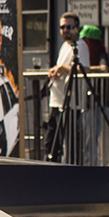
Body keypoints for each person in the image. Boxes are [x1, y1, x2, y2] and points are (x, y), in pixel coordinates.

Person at [44, 14, 92, 163]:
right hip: (57, 101)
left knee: (70, 144)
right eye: (62, 27)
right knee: (51, 143)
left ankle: (69, 174)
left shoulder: (80, 45)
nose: (65, 30)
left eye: (69, 27)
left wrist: (62, 68)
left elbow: (84, 69)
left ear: (76, 27)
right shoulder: (65, 45)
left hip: (71, 104)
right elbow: (63, 67)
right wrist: (55, 70)